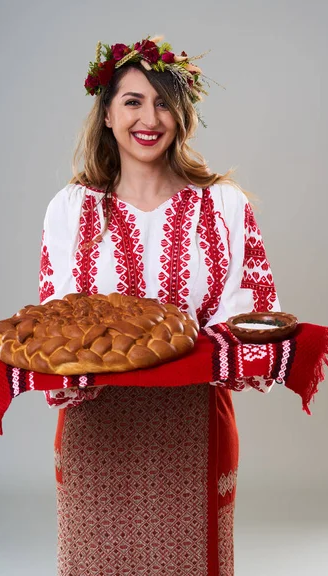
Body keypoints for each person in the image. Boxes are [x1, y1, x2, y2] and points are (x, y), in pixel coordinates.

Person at [38, 35, 280, 576]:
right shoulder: (70, 209)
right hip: (96, 430)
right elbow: (55, 324)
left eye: (165, 102)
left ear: (183, 114)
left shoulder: (223, 204)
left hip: (192, 427)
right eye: (133, 101)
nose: (150, 118)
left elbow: (258, 315)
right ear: (106, 113)